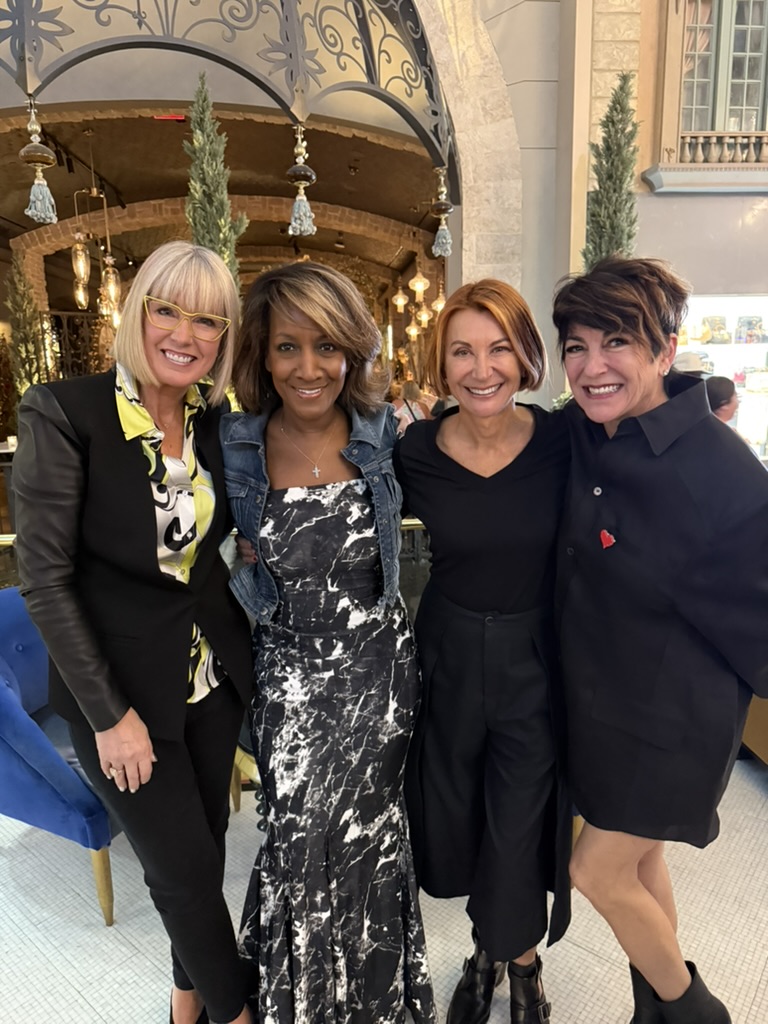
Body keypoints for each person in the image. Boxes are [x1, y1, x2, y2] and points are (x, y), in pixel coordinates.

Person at [12, 240, 254, 1024]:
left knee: (204, 858)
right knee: (182, 876)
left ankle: (185, 1004)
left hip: (208, 683)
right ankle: (239, 1013)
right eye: (168, 309)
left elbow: (209, 554)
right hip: (119, 699)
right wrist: (110, 718)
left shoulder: (212, 422)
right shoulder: (65, 412)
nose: (186, 333)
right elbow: (44, 581)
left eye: (208, 319)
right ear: (137, 313)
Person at [553, 256, 768, 1024]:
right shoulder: (583, 435)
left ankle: (691, 1011)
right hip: (607, 705)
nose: (594, 364)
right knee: (639, 861)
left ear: (665, 351)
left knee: (595, 870)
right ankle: (654, 1002)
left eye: (617, 342)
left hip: (676, 717)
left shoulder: (719, 467)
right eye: (578, 345)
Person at [220, 262, 436, 1024]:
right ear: (262, 354)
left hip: (379, 677)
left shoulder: (388, 434)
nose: (307, 368)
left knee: (369, 840)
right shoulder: (234, 445)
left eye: (326, 347)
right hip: (285, 676)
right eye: (287, 347)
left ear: (351, 351)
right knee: (298, 839)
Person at [394, 279, 572, 1024]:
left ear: (525, 354)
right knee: (457, 813)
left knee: (520, 819)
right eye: (462, 349)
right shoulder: (416, 452)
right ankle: (486, 950)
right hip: (449, 653)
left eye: (499, 347)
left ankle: (519, 962)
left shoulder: (566, 440)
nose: (482, 367)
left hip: (537, 656)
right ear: (442, 360)